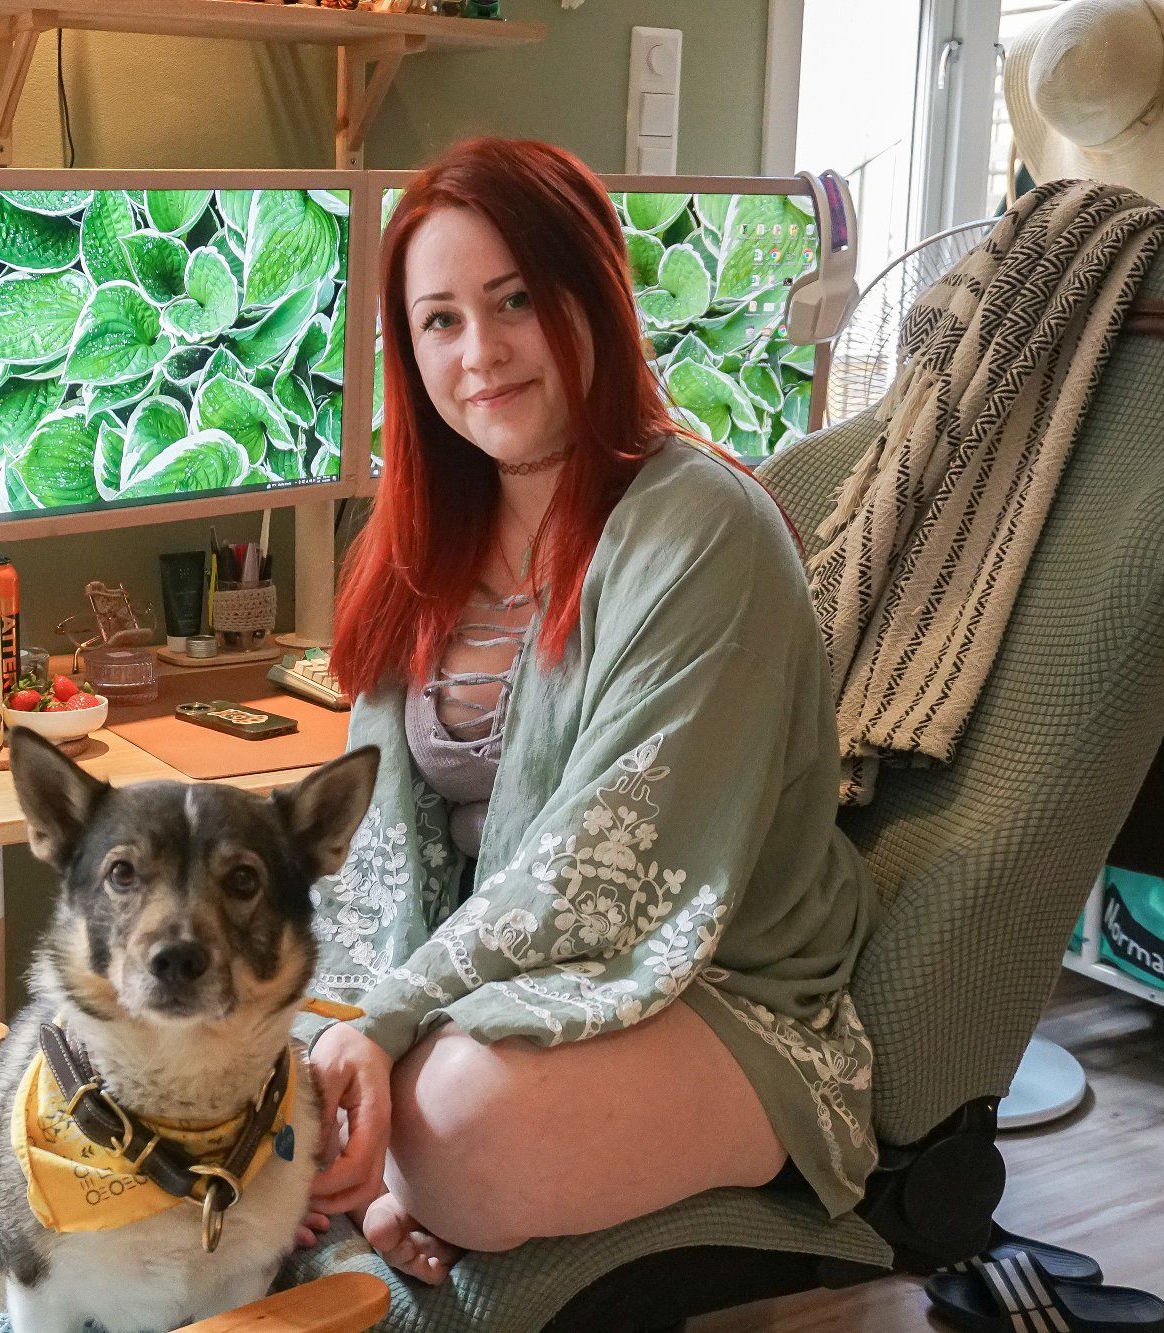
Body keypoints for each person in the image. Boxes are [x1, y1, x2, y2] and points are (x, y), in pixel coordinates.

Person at [292, 138, 879, 1285]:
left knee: (450, 1119)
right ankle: (377, 1173)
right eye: (440, 321)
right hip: (480, 988)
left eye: (515, 299)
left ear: (592, 295)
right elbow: (360, 859)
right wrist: (335, 1038)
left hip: (705, 983)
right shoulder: (415, 543)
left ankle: (389, 1171)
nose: (481, 353)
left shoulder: (704, 530)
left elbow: (607, 868)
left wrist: (387, 1033)